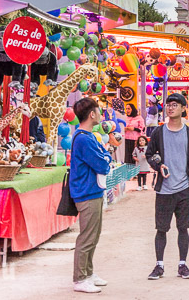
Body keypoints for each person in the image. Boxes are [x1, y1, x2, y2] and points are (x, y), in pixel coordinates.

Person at [146, 93, 189, 281]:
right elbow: (149, 153)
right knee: (161, 229)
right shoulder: (158, 132)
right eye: (168, 105)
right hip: (164, 190)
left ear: (183, 109)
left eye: (175, 105)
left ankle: (182, 265)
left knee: (183, 228)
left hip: (184, 189)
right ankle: (159, 265)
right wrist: (157, 165)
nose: (170, 108)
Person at [70, 97, 112, 293]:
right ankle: (80, 278)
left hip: (92, 191)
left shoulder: (86, 137)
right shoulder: (84, 139)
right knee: (87, 236)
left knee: (93, 235)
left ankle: (88, 272)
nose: (101, 115)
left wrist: (105, 156)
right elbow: (103, 163)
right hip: (87, 193)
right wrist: (106, 156)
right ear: (92, 114)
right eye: (99, 111)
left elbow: (103, 158)